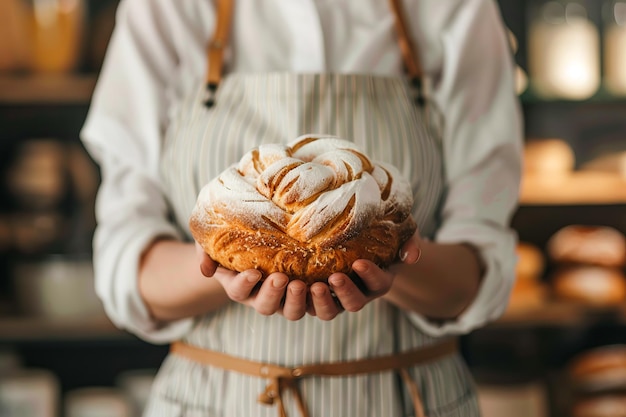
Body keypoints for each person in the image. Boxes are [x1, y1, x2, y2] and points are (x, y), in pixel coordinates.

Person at [80, 0, 523, 416]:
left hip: (407, 399)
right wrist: (227, 268)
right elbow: (127, 268)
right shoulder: (166, 8)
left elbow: (477, 271)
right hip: (216, 400)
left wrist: (394, 264)